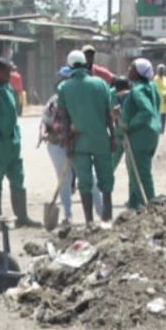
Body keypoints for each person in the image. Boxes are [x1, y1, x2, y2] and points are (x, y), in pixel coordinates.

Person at [0, 58, 41, 227]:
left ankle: (22, 217)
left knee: (18, 179)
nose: (10, 75)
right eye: (7, 72)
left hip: (13, 144)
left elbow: (13, 116)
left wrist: (16, 137)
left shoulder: (7, 89)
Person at [57, 49, 116, 225]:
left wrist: (67, 142)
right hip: (100, 140)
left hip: (79, 142)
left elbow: (65, 117)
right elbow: (108, 114)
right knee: (106, 180)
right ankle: (107, 217)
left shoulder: (64, 87)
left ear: (70, 67)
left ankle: (89, 221)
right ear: (85, 64)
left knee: (84, 182)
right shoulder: (101, 84)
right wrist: (112, 137)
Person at [40, 66, 103, 225]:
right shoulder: (53, 101)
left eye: (67, 80)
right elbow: (45, 121)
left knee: (91, 179)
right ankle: (67, 215)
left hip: (80, 144)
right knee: (64, 180)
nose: (63, 83)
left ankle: (102, 213)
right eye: (61, 79)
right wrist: (43, 133)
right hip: (57, 145)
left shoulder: (82, 101)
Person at [120, 59, 161, 210]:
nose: (128, 70)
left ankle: (151, 205)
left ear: (138, 72)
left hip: (140, 135)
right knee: (135, 169)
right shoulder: (151, 87)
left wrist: (129, 124)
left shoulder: (137, 90)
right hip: (152, 133)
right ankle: (133, 203)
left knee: (140, 172)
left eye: (131, 68)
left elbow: (146, 110)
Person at [110, 77, 132, 172]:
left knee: (131, 162)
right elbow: (110, 114)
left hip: (131, 131)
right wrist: (114, 113)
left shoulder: (133, 94)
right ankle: (104, 182)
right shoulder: (111, 94)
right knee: (112, 159)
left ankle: (133, 181)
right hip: (118, 130)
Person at [153, 64, 166, 133]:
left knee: (164, 117)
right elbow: (157, 89)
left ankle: (163, 131)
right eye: (160, 70)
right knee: (159, 117)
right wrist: (164, 95)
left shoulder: (165, 79)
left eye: (163, 70)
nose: (162, 71)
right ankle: (159, 131)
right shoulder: (155, 79)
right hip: (159, 101)